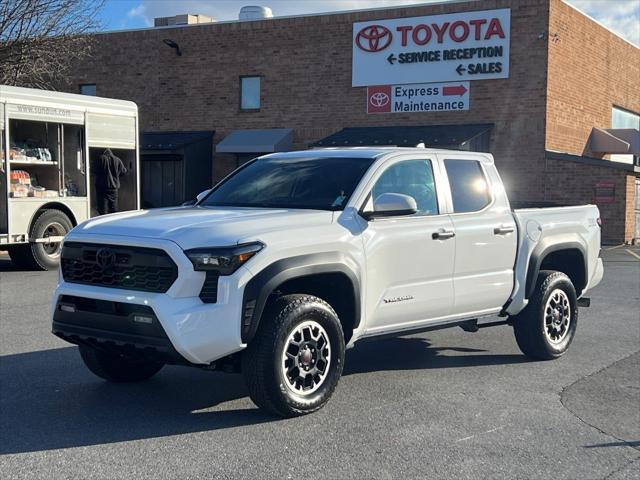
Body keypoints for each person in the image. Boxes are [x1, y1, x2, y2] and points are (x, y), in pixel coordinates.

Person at [95, 148, 127, 214]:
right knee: (113, 208)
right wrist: (116, 176)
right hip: (114, 189)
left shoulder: (101, 159)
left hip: (102, 188)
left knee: (103, 209)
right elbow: (124, 171)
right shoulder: (117, 160)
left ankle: (104, 222)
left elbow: (94, 170)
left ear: (104, 152)